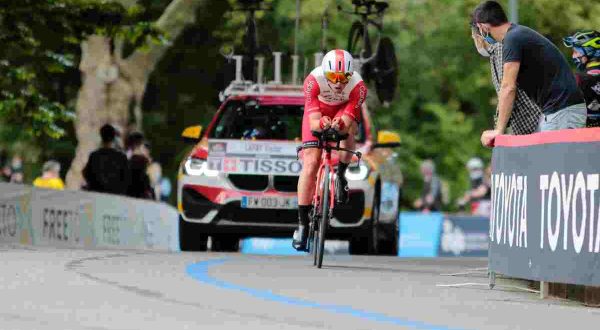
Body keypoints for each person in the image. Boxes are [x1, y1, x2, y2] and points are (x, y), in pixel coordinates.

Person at [472, 1, 586, 148]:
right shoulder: (516, 35)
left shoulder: (513, 39)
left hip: (563, 111)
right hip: (556, 111)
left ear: (483, 27)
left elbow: (508, 87)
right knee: (548, 166)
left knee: (555, 166)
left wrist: (498, 131)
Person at [292, 49, 368, 251]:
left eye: (344, 77)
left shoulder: (358, 87)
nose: (338, 82)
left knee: (348, 130)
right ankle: (302, 225)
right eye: (333, 77)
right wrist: (322, 123)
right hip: (319, 111)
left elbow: (346, 121)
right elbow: (314, 123)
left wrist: (338, 125)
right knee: (311, 164)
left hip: (344, 110)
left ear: (351, 76)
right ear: (325, 73)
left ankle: (341, 174)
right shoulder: (313, 81)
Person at [471, 26, 542, 135]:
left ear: (478, 37)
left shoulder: (500, 49)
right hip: (528, 124)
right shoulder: (494, 54)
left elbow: (507, 89)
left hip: (534, 121)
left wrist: (497, 130)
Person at [563, 30, 600, 128]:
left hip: (588, 135)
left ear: (589, 51)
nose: (573, 56)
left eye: (576, 52)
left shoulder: (579, 78)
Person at [83, 124, 129, 195]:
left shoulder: (94, 156)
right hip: (115, 196)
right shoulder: (121, 157)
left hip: (97, 194)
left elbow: (87, 174)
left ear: (101, 136)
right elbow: (126, 178)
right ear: (114, 138)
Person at [126, 132, 155, 200]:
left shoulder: (126, 159)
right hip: (141, 196)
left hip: (128, 195)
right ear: (141, 144)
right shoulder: (144, 161)